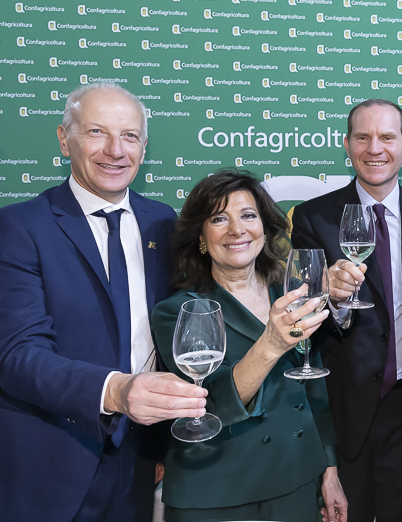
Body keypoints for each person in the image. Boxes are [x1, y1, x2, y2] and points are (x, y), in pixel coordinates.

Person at [0, 82, 207, 522]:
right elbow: (17, 356)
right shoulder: (19, 228)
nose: (115, 150)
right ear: (64, 139)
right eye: (96, 132)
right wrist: (116, 391)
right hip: (51, 463)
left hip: (139, 462)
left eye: (129, 136)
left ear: (144, 146)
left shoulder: (164, 222)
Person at [150, 169, 347, 522]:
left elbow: (313, 389)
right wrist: (271, 342)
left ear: (266, 228)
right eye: (219, 218)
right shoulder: (177, 312)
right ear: (200, 235)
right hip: (215, 492)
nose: (237, 230)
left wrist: (329, 470)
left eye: (248, 215)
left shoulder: (289, 296)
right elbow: (211, 404)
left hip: (296, 482)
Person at [291, 99, 402, 522]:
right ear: (346, 145)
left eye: (386, 137)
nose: (374, 148)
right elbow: (299, 314)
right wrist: (333, 298)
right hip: (343, 407)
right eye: (362, 137)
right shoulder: (314, 217)